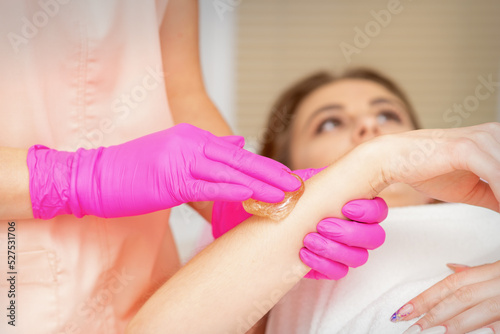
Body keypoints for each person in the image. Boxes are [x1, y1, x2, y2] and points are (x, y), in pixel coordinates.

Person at [0, 2, 385, 333]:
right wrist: (71, 179)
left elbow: (181, 91)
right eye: (329, 122)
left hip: (141, 277)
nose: (368, 128)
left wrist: (236, 202)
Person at [124, 68, 500, 333]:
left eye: (387, 114)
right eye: (330, 123)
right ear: (283, 168)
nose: (370, 127)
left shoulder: (487, 210)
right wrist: (373, 162)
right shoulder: (265, 250)